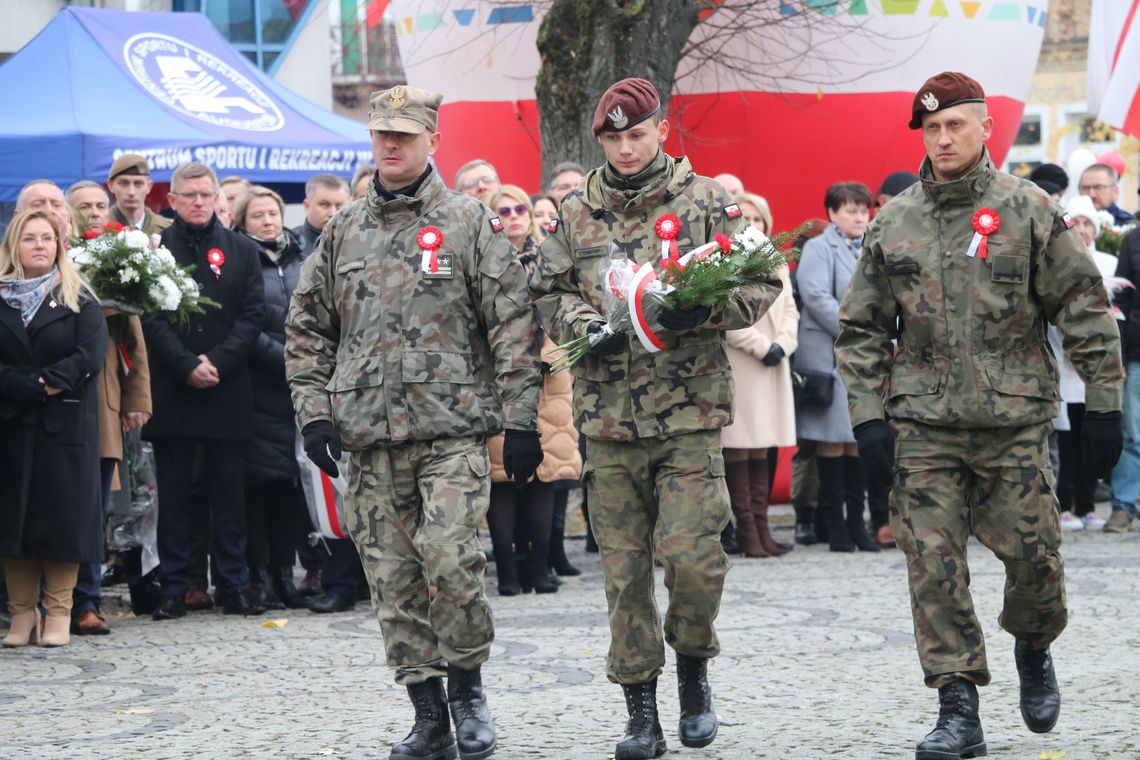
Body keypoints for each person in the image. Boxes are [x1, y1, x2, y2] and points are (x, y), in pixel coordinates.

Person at [836, 71, 1124, 759]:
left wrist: (1106, 405)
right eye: (930, 129)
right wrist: (869, 417)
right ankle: (957, 706)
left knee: (1034, 561)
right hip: (924, 428)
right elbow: (862, 329)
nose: (941, 138)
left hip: (1014, 424)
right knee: (932, 566)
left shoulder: (1026, 210)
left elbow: (1082, 308)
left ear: (985, 127)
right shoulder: (895, 220)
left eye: (954, 125)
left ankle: (1033, 644)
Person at [285, 85, 542, 760]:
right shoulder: (343, 229)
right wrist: (315, 415)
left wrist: (521, 421)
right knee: (393, 581)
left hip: (451, 431)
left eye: (403, 134)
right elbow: (307, 330)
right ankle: (427, 714)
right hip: (367, 438)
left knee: (452, 564)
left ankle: (469, 694)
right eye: (380, 135)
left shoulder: (466, 221)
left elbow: (513, 322)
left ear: (432, 140)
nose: (390, 145)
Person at [531, 77, 780, 759]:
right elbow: (547, 289)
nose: (626, 147)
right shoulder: (572, 214)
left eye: (636, 134)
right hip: (607, 422)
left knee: (696, 562)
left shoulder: (708, 203)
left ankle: (694, 665)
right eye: (612, 138)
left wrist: (709, 311)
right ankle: (640, 710)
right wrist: (591, 327)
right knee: (625, 575)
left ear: (662, 132)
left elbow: (762, 279)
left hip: (689, 416)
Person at [142, 161, 266, 620]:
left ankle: (233, 584)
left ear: (218, 199)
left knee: (229, 495)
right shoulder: (154, 251)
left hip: (226, 387)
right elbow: (150, 317)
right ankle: (175, 585)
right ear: (171, 201)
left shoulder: (242, 249)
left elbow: (252, 316)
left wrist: (217, 361)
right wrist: (186, 364)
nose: (197, 202)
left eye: (205, 195)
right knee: (175, 496)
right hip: (174, 389)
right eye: (188, 195)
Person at [0, 210, 108, 648]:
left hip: (63, 422)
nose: (40, 245)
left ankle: (59, 612)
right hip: (11, 420)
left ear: (59, 245)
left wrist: (46, 382)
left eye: (47, 237)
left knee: (63, 521)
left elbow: (90, 355)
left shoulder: (80, 295)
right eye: (30, 238)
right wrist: (18, 384)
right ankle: (23, 615)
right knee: (14, 522)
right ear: (14, 246)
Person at [485, 184, 582, 595]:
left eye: (520, 208)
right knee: (501, 477)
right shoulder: (483, 261)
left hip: (549, 379)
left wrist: (550, 352)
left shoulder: (549, 257)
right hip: (498, 380)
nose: (513, 216)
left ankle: (539, 567)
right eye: (503, 210)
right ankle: (508, 571)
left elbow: (566, 304)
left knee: (545, 473)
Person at [234, 185, 311, 609]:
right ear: (244, 221)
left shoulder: (299, 256)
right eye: (258, 215)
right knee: (258, 485)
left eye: (272, 213)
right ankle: (257, 575)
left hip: (299, 386)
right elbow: (244, 320)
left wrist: (305, 361)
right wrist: (284, 359)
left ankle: (286, 574)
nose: (267, 221)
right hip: (259, 383)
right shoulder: (242, 258)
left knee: (290, 485)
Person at [795, 181, 879, 554]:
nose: (859, 217)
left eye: (863, 210)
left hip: (865, 357)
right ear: (832, 214)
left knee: (857, 441)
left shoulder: (874, 247)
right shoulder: (818, 247)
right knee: (831, 441)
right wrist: (855, 330)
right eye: (851, 210)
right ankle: (835, 526)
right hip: (830, 354)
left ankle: (856, 523)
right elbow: (814, 296)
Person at [71, 293, 152, 635]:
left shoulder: (107, 258)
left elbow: (132, 341)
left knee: (94, 510)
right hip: (43, 399)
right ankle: (34, 600)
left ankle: (85, 600)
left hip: (101, 408)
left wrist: (137, 399)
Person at [721, 208, 798, 558]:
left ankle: (763, 528)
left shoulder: (777, 263)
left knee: (762, 447)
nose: (751, 224)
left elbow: (791, 309)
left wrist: (783, 344)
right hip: (744, 363)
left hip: (773, 364)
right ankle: (746, 530)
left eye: (758, 218)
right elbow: (726, 318)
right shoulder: (724, 262)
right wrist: (762, 346)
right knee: (739, 447)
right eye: (745, 218)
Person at [1049, 196, 1118, 533]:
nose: (1083, 230)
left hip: (1094, 369)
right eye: (1076, 222)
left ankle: (1088, 504)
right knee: (1066, 441)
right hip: (1063, 367)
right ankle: (1063, 504)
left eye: (1088, 223)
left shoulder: (1108, 262)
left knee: (1093, 438)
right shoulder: (1055, 261)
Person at [1108, 224, 1140, 533]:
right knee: (1131, 434)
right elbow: (1121, 300)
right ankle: (1123, 505)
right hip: (1136, 352)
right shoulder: (1133, 239)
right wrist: (1120, 354)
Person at [106, 154, 171, 235]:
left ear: (149, 187)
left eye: (138, 184)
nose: (131, 192)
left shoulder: (168, 229)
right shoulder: (99, 227)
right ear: (111, 186)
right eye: (124, 183)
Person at [296, 174, 350, 256]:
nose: (333, 213)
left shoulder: (359, 241)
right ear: (307, 206)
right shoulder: (291, 247)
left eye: (339, 206)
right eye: (324, 204)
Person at [1079, 162, 1135, 227]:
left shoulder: (1129, 225)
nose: (1091, 195)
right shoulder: (1071, 224)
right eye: (1085, 188)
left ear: (1116, 191)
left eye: (1098, 187)